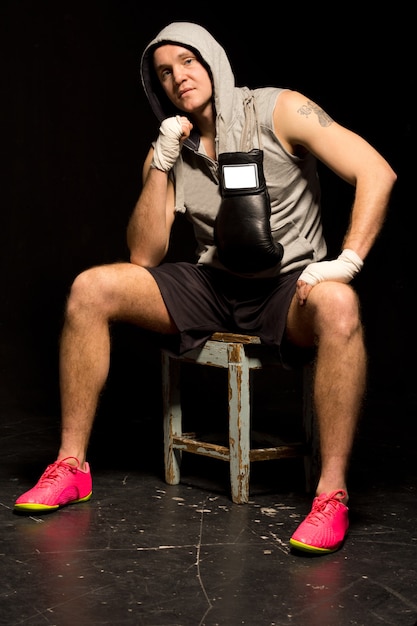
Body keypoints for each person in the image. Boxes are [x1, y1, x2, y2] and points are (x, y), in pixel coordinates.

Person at [14, 22, 396, 555]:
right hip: (212, 283)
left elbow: (377, 171)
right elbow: (144, 257)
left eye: (187, 61)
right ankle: (71, 466)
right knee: (91, 287)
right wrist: (162, 164)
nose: (179, 78)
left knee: (340, 304)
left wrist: (347, 262)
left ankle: (330, 495)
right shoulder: (171, 143)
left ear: (213, 59)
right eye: (165, 73)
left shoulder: (280, 109)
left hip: (289, 286)